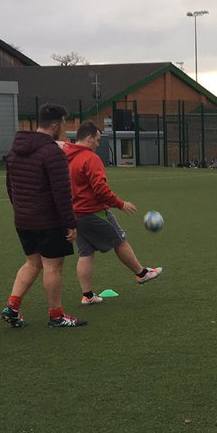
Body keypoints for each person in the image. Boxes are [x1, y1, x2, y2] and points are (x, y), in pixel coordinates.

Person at [2, 103, 86, 329]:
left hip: (23, 219)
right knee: (53, 266)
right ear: (57, 125)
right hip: (47, 221)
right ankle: (57, 315)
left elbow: (10, 186)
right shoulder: (53, 153)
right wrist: (70, 223)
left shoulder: (15, 150)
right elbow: (62, 192)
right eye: (64, 125)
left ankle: (12, 307)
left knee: (32, 262)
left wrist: (21, 209)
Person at [63, 121, 162, 305]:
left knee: (85, 253)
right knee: (119, 240)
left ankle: (88, 295)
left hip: (75, 213)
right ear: (89, 137)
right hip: (94, 211)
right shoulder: (90, 158)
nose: (98, 145)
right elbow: (100, 189)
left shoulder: (68, 157)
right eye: (97, 140)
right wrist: (120, 204)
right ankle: (142, 273)